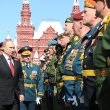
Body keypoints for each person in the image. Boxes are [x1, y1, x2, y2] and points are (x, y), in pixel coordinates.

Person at [82, 0, 102, 110]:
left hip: (98, 87)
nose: (82, 15)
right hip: (90, 88)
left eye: (85, 12)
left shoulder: (102, 29)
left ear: (95, 13)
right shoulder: (92, 34)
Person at [93, 0, 110, 110]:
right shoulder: (103, 25)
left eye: (96, 1)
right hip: (102, 83)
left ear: (104, 2)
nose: (95, 5)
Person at [0, 39, 24, 110]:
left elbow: (20, 78)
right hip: (2, 99)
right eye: (10, 47)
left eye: (14, 47)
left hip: (15, 99)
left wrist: (21, 93)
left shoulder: (16, 61)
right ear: (3, 48)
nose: (13, 50)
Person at [18, 46, 44, 110]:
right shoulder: (18, 67)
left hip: (32, 94)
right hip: (22, 95)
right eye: (25, 56)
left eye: (29, 55)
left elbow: (40, 81)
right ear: (22, 56)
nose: (28, 57)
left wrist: (39, 95)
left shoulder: (36, 67)